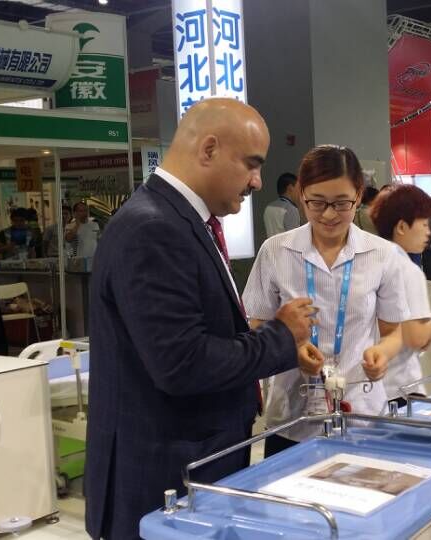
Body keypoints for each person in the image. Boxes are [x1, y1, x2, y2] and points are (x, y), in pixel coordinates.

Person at [85, 98, 320, 540]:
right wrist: (280, 337)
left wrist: (257, 336)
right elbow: (182, 363)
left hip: (194, 463)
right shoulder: (153, 228)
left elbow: (191, 332)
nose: (257, 181)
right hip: (160, 478)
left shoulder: (184, 222)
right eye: (252, 164)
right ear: (209, 149)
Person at [243, 145, 408, 457]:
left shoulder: (382, 254)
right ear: (301, 194)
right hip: (292, 416)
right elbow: (257, 322)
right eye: (317, 203)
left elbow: (393, 331)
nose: (329, 214)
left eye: (342, 203)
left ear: (358, 195)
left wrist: (382, 354)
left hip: (361, 409)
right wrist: (291, 351)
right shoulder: (276, 251)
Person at [369, 184, 431, 403]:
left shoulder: (370, 260)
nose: (428, 232)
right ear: (401, 227)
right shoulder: (407, 269)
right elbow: (415, 336)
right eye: (424, 224)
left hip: (370, 388)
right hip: (401, 385)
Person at [263, 172, 303, 237]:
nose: (300, 192)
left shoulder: (269, 207)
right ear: (290, 188)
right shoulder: (291, 209)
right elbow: (294, 238)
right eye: (298, 188)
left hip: (271, 243)